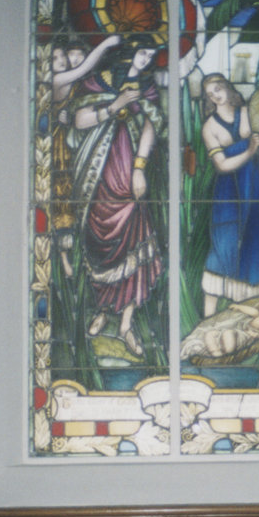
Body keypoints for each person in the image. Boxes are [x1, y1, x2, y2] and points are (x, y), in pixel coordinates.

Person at [71, 36, 165, 358]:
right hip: (97, 171)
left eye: (150, 54)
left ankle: (126, 322)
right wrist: (115, 105)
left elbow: (153, 124)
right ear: (129, 52)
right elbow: (78, 119)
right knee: (97, 240)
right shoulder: (101, 81)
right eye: (142, 51)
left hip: (128, 172)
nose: (145, 58)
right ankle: (103, 310)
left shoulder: (148, 87)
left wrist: (139, 167)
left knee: (132, 238)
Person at [199, 73, 259, 318]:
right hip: (229, 193)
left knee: (254, 242)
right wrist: (251, 149)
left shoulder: (248, 112)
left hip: (256, 187)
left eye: (218, 89)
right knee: (224, 244)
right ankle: (207, 321)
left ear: (228, 88)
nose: (216, 96)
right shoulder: (209, 127)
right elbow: (221, 165)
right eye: (210, 94)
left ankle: (250, 324)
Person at [49, 35, 120, 278]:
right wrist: (107, 44)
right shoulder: (57, 80)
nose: (63, 60)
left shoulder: (81, 83)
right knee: (62, 198)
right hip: (60, 151)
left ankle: (83, 255)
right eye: (56, 57)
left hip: (80, 146)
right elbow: (86, 68)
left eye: (64, 55)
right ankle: (65, 260)